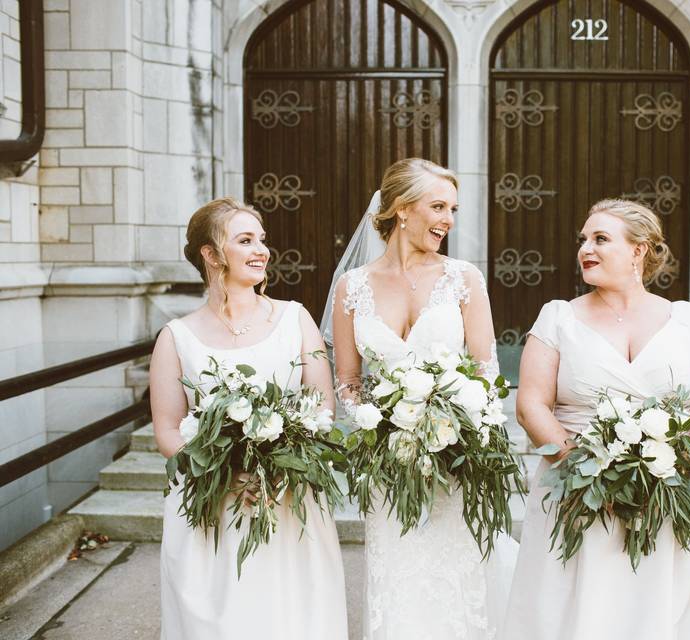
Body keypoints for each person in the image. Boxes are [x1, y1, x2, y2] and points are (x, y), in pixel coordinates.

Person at [500, 198, 690, 640]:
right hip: (576, 492)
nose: (586, 248)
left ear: (639, 250)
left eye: (601, 239)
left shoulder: (688, 320)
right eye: (583, 240)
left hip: (670, 494)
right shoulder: (558, 317)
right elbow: (531, 406)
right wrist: (588, 476)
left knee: (664, 609)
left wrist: (679, 466)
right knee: (579, 610)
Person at [327, 158, 516, 639]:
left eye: (452, 208)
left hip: (457, 459)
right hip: (390, 465)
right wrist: (378, 422)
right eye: (438, 206)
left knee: (460, 576)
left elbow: (486, 370)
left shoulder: (463, 278)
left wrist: (464, 425)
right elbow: (347, 380)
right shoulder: (352, 288)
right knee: (398, 576)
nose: (448, 220)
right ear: (400, 210)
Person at [150, 197, 348, 640]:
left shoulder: (296, 319)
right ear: (211, 254)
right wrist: (223, 473)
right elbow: (166, 428)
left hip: (287, 498)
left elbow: (321, 405)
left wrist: (280, 464)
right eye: (245, 240)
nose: (262, 250)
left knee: (289, 613)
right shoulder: (176, 337)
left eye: (262, 239)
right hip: (210, 504)